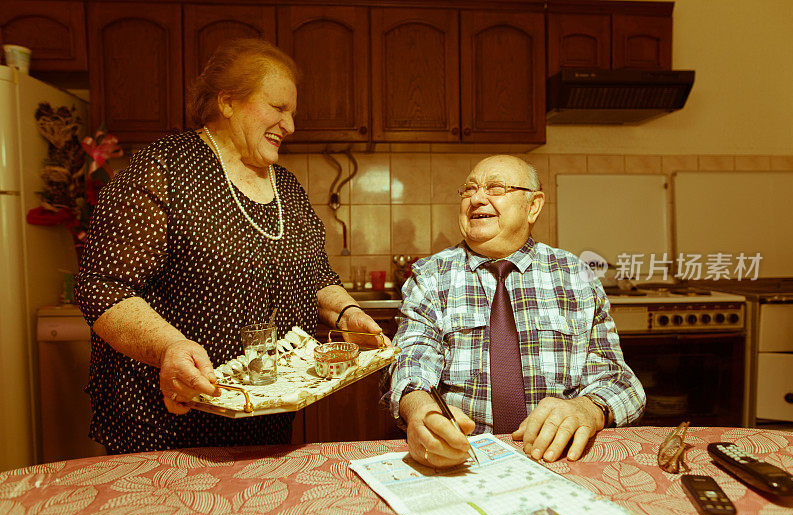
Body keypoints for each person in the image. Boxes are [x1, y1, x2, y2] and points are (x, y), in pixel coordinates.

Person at [75, 38, 382, 454]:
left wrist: (348, 312)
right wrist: (171, 348)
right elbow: (104, 288)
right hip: (167, 419)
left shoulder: (286, 186)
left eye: (292, 112)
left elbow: (315, 278)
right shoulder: (164, 169)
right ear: (227, 102)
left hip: (262, 413)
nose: (290, 125)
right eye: (278, 107)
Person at [383, 155, 645, 467]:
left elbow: (620, 381)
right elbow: (411, 364)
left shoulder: (576, 276)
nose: (477, 199)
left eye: (495, 188)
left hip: (558, 456)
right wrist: (421, 410)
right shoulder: (430, 276)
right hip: (463, 457)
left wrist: (588, 409)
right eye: (469, 190)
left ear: (533, 206)